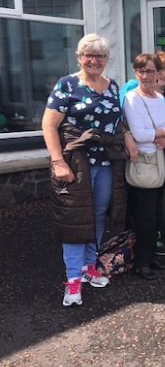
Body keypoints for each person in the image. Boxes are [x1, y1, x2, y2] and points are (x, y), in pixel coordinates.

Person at [43, 33, 128, 306]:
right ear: (79, 57)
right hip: (75, 164)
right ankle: (73, 282)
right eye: (88, 55)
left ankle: (90, 268)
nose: (94, 60)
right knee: (74, 220)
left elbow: (117, 121)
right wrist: (58, 162)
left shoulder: (112, 86)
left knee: (98, 216)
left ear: (106, 59)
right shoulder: (67, 85)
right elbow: (49, 125)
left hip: (105, 164)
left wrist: (127, 139)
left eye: (100, 56)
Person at [120, 51, 165, 246]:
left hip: (160, 155)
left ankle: (151, 245)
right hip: (139, 156)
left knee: (155, 206)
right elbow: (127, 124)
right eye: (142, 71)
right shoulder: (131, 92)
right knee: (141, 208)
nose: (163, 74)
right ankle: (136, 250)